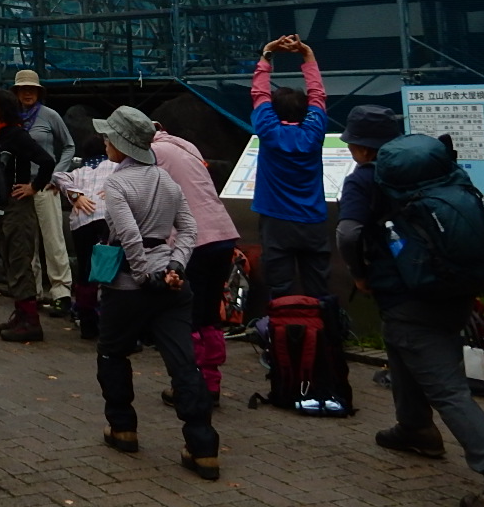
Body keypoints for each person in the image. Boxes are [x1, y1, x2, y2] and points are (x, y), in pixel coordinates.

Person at [336, 106, 484, 507]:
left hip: (409, 296)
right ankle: (415, 429)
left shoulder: (365, 179)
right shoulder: (436, 171)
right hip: (454, 288)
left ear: (362, 148)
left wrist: (358, 274)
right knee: (400, 343)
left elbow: (348, 232)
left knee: (447, 388)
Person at [91, 106, 218, 480]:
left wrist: (146, 276)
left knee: (112, 352)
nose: (104, 142)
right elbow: (189, 229)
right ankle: (203, 447)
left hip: (127, 287)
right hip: (171, 283)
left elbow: (129, 236)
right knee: (183, 363)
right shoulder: (167, 181)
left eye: (109, 137)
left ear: (121, 144)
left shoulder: (117, 183)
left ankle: (123, 428)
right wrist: (175, 267)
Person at [153, 121, 240, 406]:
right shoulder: (185, 145)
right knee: (209, 314)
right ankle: (211, 384)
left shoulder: (153, 153)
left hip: (193, 240)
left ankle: (190, 386)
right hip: (222, 233)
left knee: (187, 315)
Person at [251, 35, 330, 299]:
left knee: (280, 287)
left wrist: (267, 54)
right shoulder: (314, 132)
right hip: (313, 220)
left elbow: (259, 93)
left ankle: (283, 325)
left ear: (274, 111)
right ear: (305, 111)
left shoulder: (268, 131)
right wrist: (308, 56)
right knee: (318, 287)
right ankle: (324, 324)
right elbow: (317, 95)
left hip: (276, 222)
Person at [0, 88, 56, 343]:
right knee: (10, 258)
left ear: (1, 109)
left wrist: (33, 187)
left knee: (19, 257)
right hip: (1, 206)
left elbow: (47, 161)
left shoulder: (16, 135)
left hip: (18, 207)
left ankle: (31, 321)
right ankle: (21, 314)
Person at [11, 70, 76, 314]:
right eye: (23, 89)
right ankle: (33, 292)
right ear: (17, 92)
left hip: (45, 185)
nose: (27, 93)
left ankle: (61, 293)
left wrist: (56, 175)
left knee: (53, 239)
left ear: (39, 92)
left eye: (32, 89)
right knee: (27, 243)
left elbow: (69, 146)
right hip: (20, 186)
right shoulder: (12, 118)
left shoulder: (50, 115)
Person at [55, 134, 113, 339]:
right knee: (109, 268)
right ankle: (107, 320)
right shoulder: (115, 167)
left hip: (82, 223)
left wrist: (75, 195)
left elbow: (58, 176)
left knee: (85, 270)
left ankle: (87, 321)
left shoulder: (78, 172)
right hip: (108, 220)